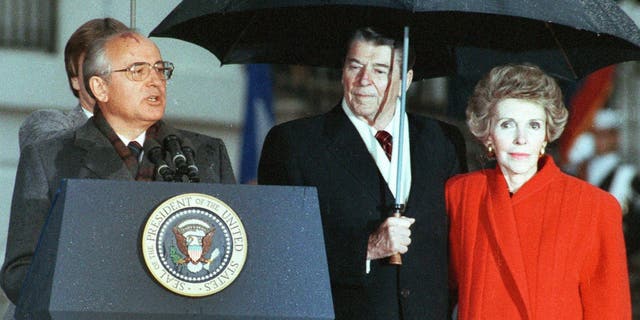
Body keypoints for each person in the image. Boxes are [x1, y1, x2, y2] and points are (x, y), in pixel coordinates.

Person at [0, 30, 236, 304]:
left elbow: (228, 251)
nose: (155, 81)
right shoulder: (50, 158)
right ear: (100, 88)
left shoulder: (203, 153)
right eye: (138, 71)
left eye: (161, 70)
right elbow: (20, 272)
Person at [258, 27, 467, 319]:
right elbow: (277, 251)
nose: (363, 80)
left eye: (380, 70)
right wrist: (367, 248)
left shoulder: (444, 141)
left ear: (405, 81)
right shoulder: (294, 144)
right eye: (354, 66)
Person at [446, 64, 631, 319]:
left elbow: (610, 311)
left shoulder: (595, 206)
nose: (521, 138)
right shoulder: (460, 194)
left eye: (533, 125)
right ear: (488, 134)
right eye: (507, 124)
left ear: (546, 134)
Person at [18, 18, 128, 151]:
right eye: (95, 64)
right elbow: (49, 151)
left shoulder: (153, 135)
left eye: (119, 64)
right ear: (75, 78)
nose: (108, 74)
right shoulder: (49, 123)